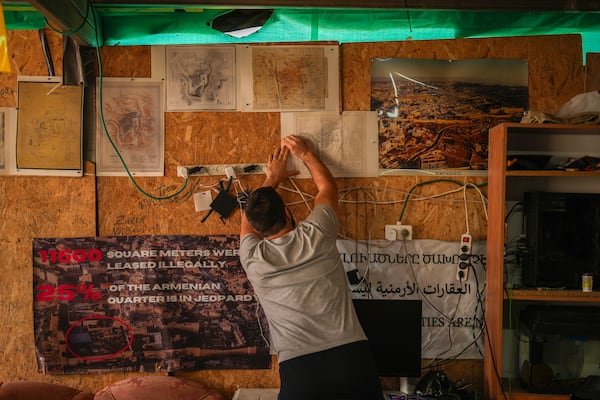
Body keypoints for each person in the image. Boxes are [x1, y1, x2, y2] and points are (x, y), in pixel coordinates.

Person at [239, 135, 384, 400]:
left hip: (300, 370)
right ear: (287, 213)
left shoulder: (252, 257)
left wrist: (272, 179)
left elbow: (247, 223)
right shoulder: (316, 233)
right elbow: (327, 188)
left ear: (258, 231)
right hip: (350, 359)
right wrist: (305, 154)